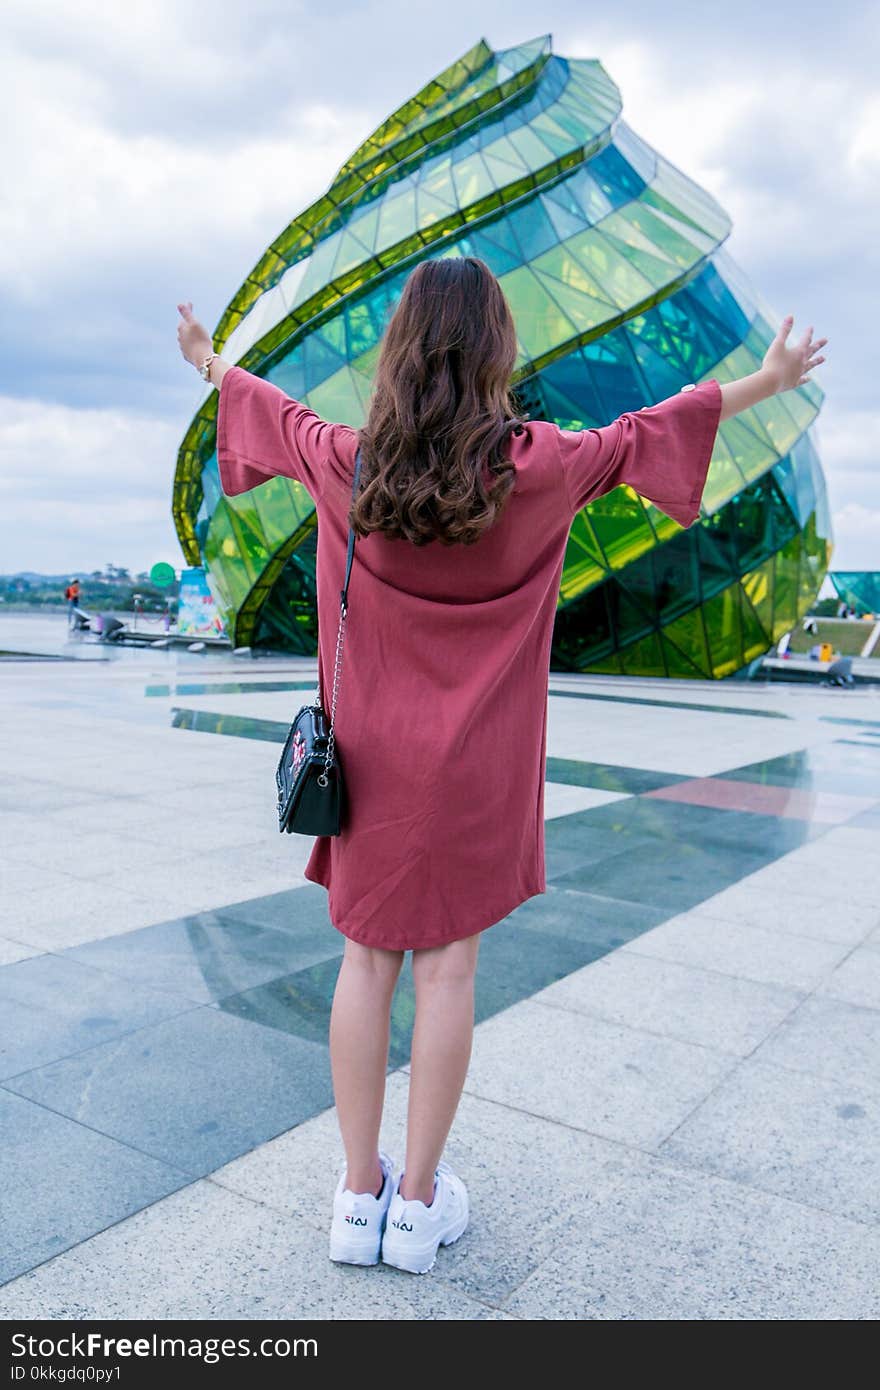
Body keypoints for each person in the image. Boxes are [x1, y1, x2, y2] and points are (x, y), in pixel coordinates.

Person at [176, 261, 827, 1275]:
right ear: (497, 353)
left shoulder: (351, 462)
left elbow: (270, 409)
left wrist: (210, 361)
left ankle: (357, 1198)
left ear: (398, 353)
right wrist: (768, 381)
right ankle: (420, 1204)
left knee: (364, 960)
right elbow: (651, 428)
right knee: (447, 971)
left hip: (370, 766)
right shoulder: (543, 465)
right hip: (477, 769)